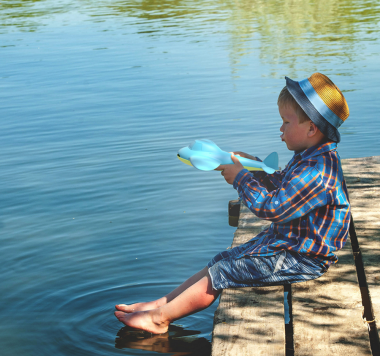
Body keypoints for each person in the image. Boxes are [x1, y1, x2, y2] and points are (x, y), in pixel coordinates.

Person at [115, 73, 351, 334]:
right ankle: (164, 303)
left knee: (224, 272)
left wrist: (241, 179)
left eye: (285, 122)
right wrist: (256, 167)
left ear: (311, 128)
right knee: (223, 258)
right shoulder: (308, 157)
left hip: (302, 259)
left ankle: (159, 319)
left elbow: (273, 208)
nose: (280, 130)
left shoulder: (316, 171)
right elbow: (282, 183)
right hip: (288, 245)